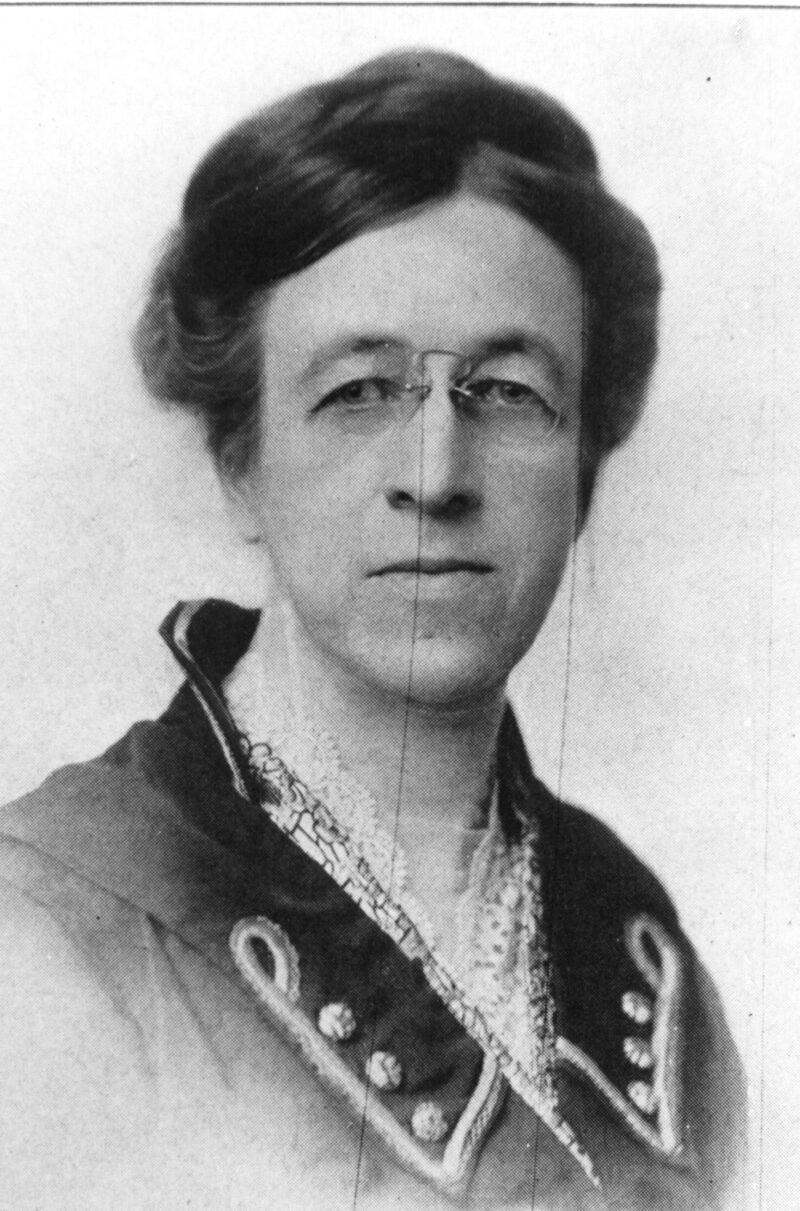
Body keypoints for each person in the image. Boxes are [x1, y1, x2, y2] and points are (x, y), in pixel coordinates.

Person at [0, 49, 745, 1211]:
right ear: (240, 464)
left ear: (583, 472)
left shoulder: (646, 960)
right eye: (357, 391)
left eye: (507, 392)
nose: (435, 474)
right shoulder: (51, 929)